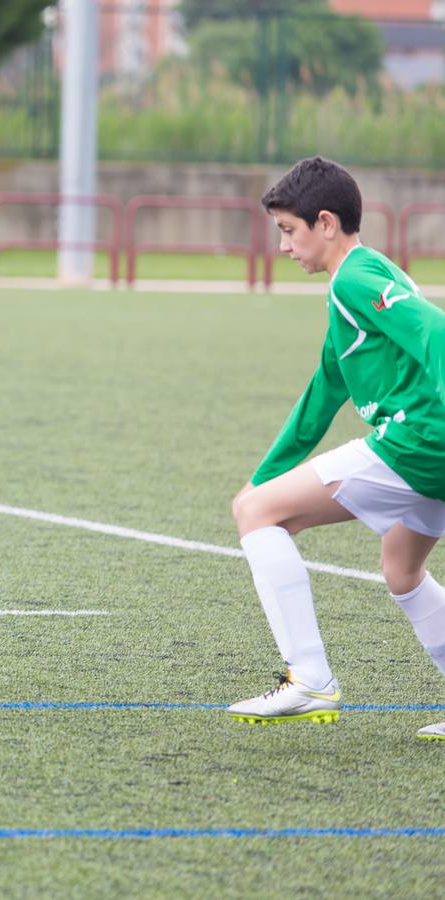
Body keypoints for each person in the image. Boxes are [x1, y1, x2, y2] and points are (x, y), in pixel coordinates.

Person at [228, 155, 445, 741]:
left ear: (325, 222)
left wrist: (257, 497)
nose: (283, 246)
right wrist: (264, 476)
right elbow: (321, 395)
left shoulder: (354, 276)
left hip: (420, 441)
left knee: (256, 516)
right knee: (402, 571)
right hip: (430, 448)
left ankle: (310, 680)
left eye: (288, 231)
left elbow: (436, 331)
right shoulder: (360, 282)